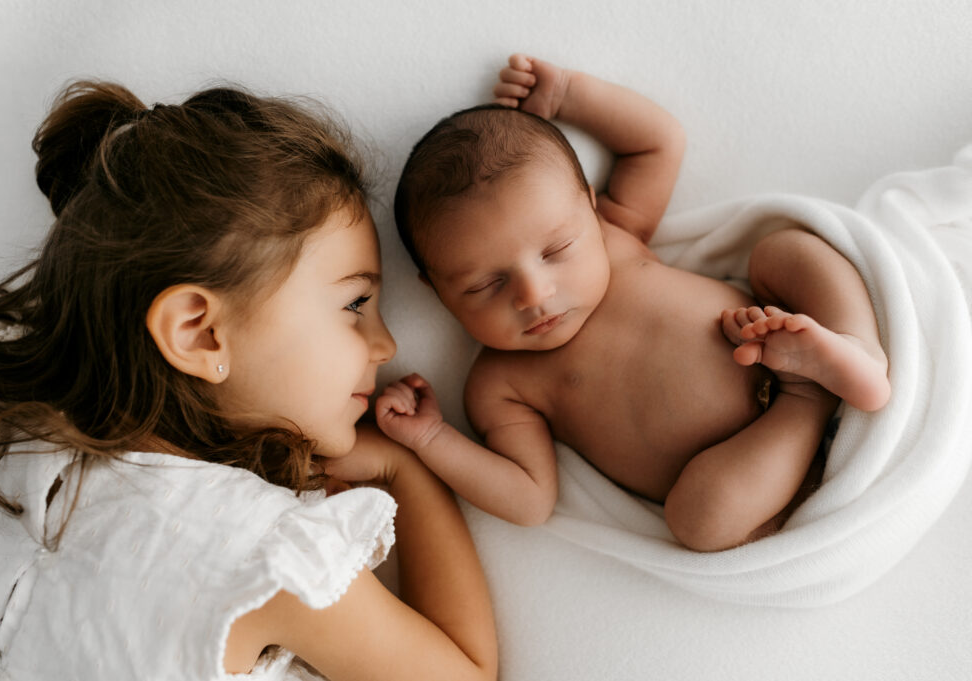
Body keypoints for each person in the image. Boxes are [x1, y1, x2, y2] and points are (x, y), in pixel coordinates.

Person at [0, 81, 496, 680]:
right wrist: (404, 470)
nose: (386, 345)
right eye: (355, 304)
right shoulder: (266, 558)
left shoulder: (19, 457)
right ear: (200, 333)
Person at [381, 54, 891, 552]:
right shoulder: (499, 383)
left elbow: (658, 142)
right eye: (486, 284)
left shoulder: (615, 236)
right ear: (436, 289)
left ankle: (855, 349)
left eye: (556, 251)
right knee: (698, 520)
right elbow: (530, 499)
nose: (534, 295)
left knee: (785, 250)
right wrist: (431, 439)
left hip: (778, 329)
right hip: (752, 466)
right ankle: (808, 398)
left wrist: (566, 94)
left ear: (590, 206)